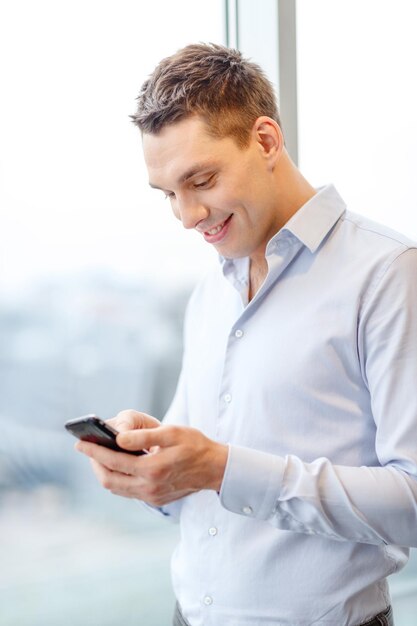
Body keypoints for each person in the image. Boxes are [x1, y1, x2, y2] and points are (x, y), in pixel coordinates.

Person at [75, 43, 417, 626]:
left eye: (201, 180)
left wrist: (221, 468)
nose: (187, 216)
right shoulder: (210, 291)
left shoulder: (388, 275)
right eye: (168, 196)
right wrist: (152, 463)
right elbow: (199, 474)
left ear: (265, 140)